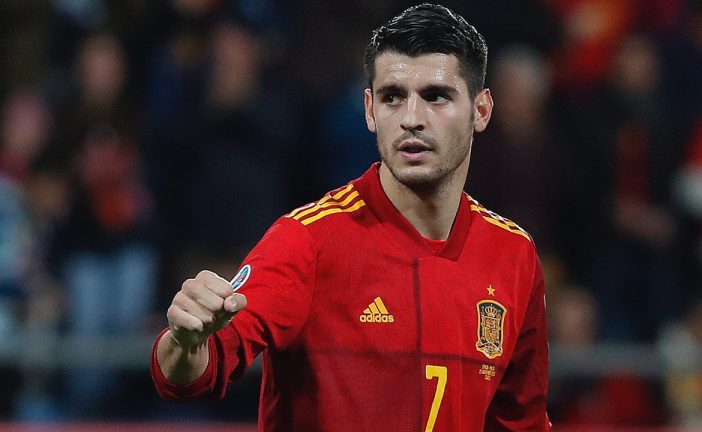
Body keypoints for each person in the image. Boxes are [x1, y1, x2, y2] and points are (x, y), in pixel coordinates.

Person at [150, 4, 551, 431]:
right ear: (369, 111)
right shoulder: (308, 241)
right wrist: (185, 341)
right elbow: (195, 367)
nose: (411, 119)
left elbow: (521, 422)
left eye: (436, 96)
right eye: (392, 97)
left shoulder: (514, 255)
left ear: (481, 110)